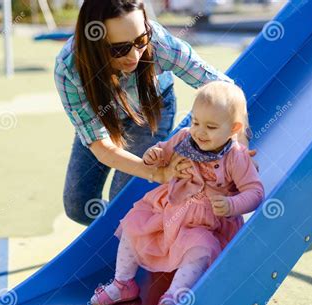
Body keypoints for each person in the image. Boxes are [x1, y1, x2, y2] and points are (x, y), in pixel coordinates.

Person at [54, 0, 251, 226]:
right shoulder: (69, 68)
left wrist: (241, 148)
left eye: (140, 40)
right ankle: (125, 229)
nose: (135, 56)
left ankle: (142, 232)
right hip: (102, 120)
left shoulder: (158, 42)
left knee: (122, 202)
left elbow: (224, 88)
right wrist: (158, 174)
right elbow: (102, 147)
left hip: (150, 111)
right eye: (119, 49)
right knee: (78, 207)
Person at [89, 81, 264, 305]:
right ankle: (123, 283)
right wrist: (156, 154)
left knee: (200, 248)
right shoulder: (184, 137)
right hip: (169, 209)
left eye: (211, 127)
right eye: (195, 122)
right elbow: (164, 152)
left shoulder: (236, 156)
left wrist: (232, 205)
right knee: (133, 226)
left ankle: (175, 294)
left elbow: (255, 192)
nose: (200, 132)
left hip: (205, 222)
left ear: (234, 128)